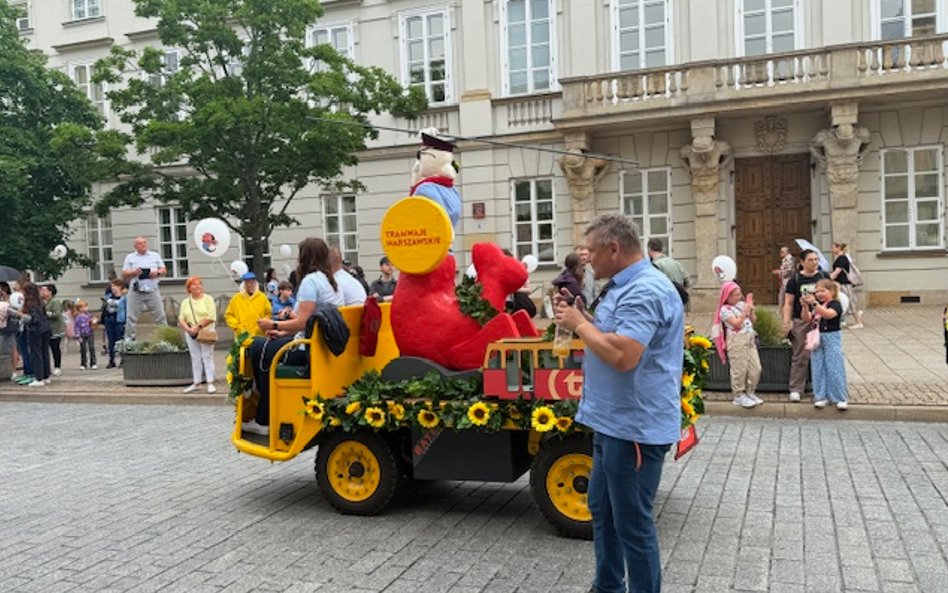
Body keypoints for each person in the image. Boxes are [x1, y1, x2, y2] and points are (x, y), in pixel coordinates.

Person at [554, 214, 684, 593]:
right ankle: (608, 587)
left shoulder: (646, 290)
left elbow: (624, 355)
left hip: (634, 430)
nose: (587, 259)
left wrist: (580, 324)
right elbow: (613, 334)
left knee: (632, 524)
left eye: (592, 251)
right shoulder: (622, 286)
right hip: (611, 423)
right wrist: (586, 318)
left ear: (614, 248)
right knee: (604, 514)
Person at [245, 237, 344, 436]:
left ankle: (263, 415)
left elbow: (303, 322)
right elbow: (310, 321)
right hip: (318, 344)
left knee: (257, 347)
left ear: (305, 257)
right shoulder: (331, 281)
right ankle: (259, 392)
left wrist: (272, 324)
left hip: (306, 349)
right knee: (268, 345)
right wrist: (282, 331)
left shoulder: (310, 281)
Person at [783, 249, 828, 403]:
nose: (814, 262)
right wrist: (786, 321)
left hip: (821, 318)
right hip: (801, 321)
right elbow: (788, 303)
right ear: (802, 262)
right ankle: (796, 388)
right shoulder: (794, 280)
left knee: (823, 353)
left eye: (816, 259)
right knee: (800, 355)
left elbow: (833, 296)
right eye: (810, 260)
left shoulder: (823, 276)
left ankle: (822, 388)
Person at [801, 279, 848, 410]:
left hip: (831, 336)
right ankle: (821, 396)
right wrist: (805, 306)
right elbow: (806, 318)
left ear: (832, 291)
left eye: (823, 291)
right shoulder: (817, 305)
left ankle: (839, 397)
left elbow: (828, 315)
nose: (819, 294)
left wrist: (814, 303)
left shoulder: (835, 304)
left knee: (834, 366)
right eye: (817, 291)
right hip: (817, 337)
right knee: (818, 367)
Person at [714, 281, 762, 409]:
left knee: (755, 368)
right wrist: (744, 312)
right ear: (727, 296)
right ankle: (738, 395)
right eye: (734, 295)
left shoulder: (741, 305)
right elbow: (736, 323)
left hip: (750, 338)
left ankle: (750, 391)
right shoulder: (724, 310)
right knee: (739, 369)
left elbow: (753, 321)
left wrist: (750, 310)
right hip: (736, 340)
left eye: (739, 294)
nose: (738, 297)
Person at [121, 237, 168, 341]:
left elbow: (164, 269)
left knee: (160, 316)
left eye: (144, 243)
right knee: (130, 317)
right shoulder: (130, 257)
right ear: (135, 246)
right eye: (140, 244)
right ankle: (129, 340)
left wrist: (157, 273)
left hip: (152, 289)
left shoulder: (155, 256)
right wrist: (134, 272)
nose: (143, 245)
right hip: (136, 290)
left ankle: (165, 338)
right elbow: (124, 273)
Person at [178, 276, 217, 394]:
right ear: (189, 288)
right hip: (191, 332)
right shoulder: (186, 302)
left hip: (206, 331)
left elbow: (211, 316)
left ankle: (210, 382)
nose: (198, 286)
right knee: (195, 357)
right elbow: (181, 318)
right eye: (194, 284)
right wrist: (188, 329)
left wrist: (198, 327)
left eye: (199, 284)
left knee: (207, 356)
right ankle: (196, 382)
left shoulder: (208, 299)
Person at [20, 282, 51, 387]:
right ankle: (46, 376)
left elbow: (33, 319)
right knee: (44, 352)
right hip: (45, 329)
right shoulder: (40, 302)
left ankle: (39, 378)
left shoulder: (30, 303)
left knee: (36, 353)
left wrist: (21, 315)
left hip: (35, 330)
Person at [225, 272, 272, 338]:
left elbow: (269, 313)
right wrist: (237, 326)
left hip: (259, 336)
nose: (250, 285)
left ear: (255, 283)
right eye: (247, 283)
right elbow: (228, 315)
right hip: (241, 336)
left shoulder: (263, 298)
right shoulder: (236, 299)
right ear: (244, 285)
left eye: (252, 283)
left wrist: (262, 325)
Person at [830, 241, 864, 329]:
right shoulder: (842, 257)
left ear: (838, 248)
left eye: (833, 247)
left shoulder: (841, 258)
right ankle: (843, 321)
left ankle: (858, 322)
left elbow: (837, 272)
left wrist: (828, 278)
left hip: (844, 284)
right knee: (841, 302)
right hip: (841, 284)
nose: (832, 249)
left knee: (850, 302)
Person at [39, 284, 65, 376]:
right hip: (45, 329)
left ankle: (57, 367)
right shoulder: (43, 302)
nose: (41, 292)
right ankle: (46, 368)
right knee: (45, 349)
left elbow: (57, 314)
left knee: (55, 348)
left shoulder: (55, 302)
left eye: (44, 290)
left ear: (50, 292)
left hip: (55, 329)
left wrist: (45, 313)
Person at [101, 279, 127, 368]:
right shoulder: (108, 297)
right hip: (109, 320)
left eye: (114, 286)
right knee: (110, 341)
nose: (113, 288)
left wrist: (126, 321)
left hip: (119, 320)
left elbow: (126, 310)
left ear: (120, 287)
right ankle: (111, 360)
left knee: (120, 340)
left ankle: (123, 359)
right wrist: (102, 320)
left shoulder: (124, 298)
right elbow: (104, 308)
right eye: (112, 286)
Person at [73, 299, 98, 370]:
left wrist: (94, 322)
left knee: (91, 348)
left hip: (89, 333)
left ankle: (93, 362)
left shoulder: (89, 315)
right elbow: (76, 327)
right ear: (80, 309)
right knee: (83, 349)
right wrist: (78, 335)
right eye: (84, 307)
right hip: (82, 335)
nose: (86, 308)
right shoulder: (78, 317)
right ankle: (83, 363)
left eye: (86, 307)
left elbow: (93, 322)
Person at [772, 245, 796, 311]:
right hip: (784, 281)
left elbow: (790, 270)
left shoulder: (790, 259)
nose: (780, 253)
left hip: (788, 281)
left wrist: (779, 272)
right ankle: (781, 311)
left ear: (787, 252)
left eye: (782, 251)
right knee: (781, 297)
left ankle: (786, 311)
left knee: (786, 297)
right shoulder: (785, 259)